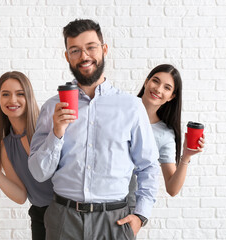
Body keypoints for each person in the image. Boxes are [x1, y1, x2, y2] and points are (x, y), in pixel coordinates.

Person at [28, 19, 160, 240]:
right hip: (63, 219)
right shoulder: (52, 107)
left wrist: (140, 216)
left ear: (104, 49)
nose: (84, 56)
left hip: (114, 222)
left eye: (91, 47)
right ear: (67, 56)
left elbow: (148, 166)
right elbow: (38, 172)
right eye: (75, 50)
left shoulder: (131, 107)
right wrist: (57, 132)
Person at [0, 71, 53, 240]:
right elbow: (20, 196)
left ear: (28, 97)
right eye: (6, 94)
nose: (12, 100)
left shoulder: (49, 129)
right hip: (41, 217)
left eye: (20, 94)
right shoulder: (6, 146)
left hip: (69, 214)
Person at [128, 64, 205, 203]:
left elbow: (172, 189)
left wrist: (186, 156)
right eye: (155, 81)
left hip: (128, 208)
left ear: (171, 96)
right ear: (146, 82)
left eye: (167, 87)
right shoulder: (121, 109)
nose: (158, 89)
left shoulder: (164, 135)